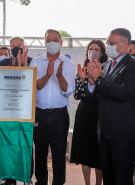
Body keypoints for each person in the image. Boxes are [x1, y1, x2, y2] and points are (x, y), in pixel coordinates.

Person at [87, 28, 135, 185]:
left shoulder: (132, 65)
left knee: (122, 178)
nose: (108, 47)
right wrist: (93, 83)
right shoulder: (106, 65)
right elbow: (99, 93)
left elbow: (124, 93)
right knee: (108, 177)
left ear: (125, 44)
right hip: (105, 132)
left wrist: (99, 80)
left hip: (123, 134)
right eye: (108, 43)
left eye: (112, 43)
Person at [30, 29, 75, 185]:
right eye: (49, 40)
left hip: (59, 115)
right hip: (39, 114)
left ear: (61, 43)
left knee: (59, 152)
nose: (52, 43)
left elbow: (67, 90)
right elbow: (34, 87)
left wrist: (59, 76)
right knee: (40, 151)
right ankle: (41, 182)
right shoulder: (35, 62)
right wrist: (48, 75)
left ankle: (58, 182)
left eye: (55, 40)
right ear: (45, 43)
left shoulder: (68, 64)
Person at [70, 39, 108, 185]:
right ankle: (87, 183)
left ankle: (99, 183)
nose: (93, 51)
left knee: (99, 152)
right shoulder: (83, 69)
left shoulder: (107, 68)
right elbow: (77, 95)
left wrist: (96, 79)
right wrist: (82, 79)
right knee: (84, 150)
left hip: (100, 113)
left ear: (102, 52)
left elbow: (105, 93)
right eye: (90, 48)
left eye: (96, 49)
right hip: (84, 113)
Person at [0, 38, 32, 185]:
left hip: (24, 109)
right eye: (13, 46)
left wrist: (23, 64)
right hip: (7, 109)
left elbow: (27, 81)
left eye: (19, 46)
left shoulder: (31, 61)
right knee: (8, 145)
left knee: (25, 144)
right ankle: (9, 178)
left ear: (24, 47)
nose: (16, 48)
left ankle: (27, 178)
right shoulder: (3, 63)